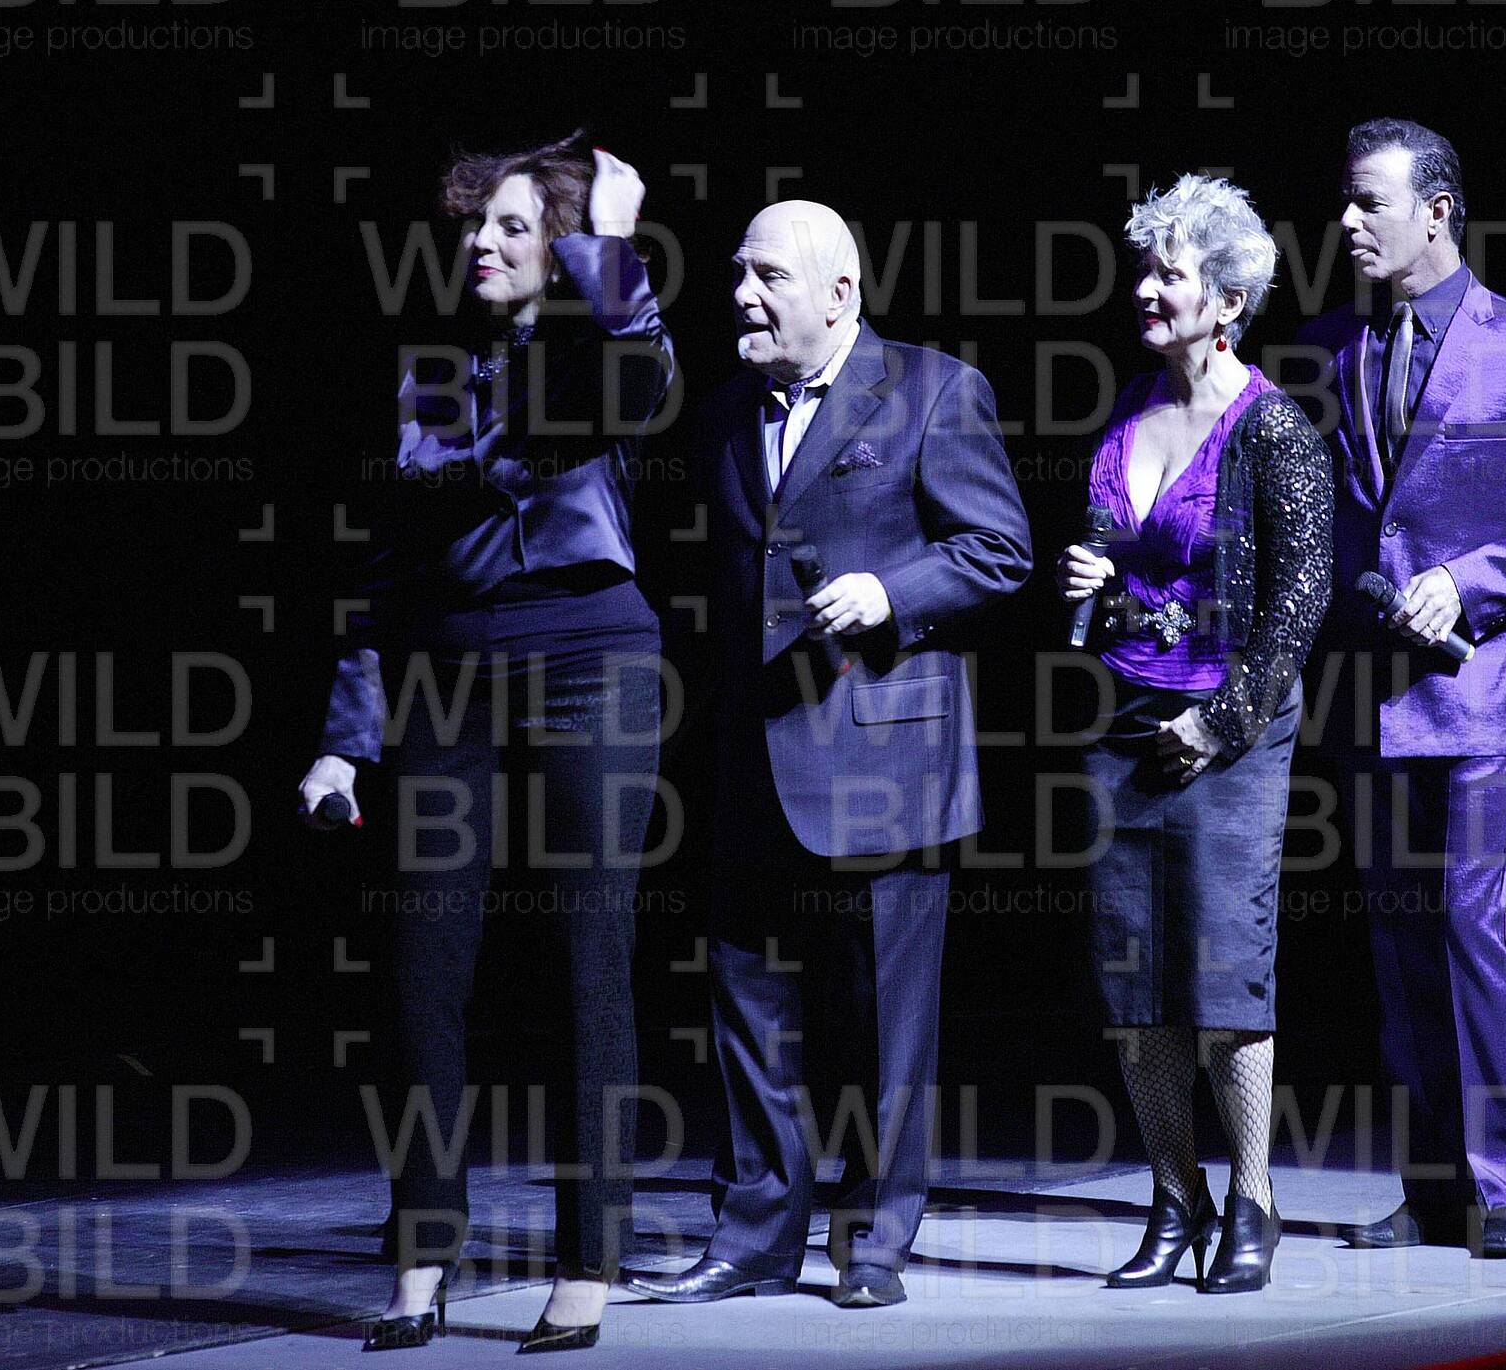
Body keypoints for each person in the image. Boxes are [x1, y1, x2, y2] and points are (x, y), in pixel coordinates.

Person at [298, 134, 675, 1352]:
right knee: (423, 970)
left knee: (586, 959)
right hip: (448, 674)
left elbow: (645, 386)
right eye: (475, 224)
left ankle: (588, 1254)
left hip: (588, 658)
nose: (482, 243)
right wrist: (345, 741)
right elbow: (388, 565)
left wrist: (610, 245)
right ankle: (423, 1250)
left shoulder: (597, 341)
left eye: (513, 225)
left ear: (559, 244)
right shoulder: (434, 371)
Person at [622, 200, 1031, 1310]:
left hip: (887, 759)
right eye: (737, 275)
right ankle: (753, 1235)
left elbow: (1000, 549)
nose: (742, 297)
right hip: (755, 756)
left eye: (768, 278)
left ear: (840, 293)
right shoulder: (721, 412)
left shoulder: (934, 389)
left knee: (886, 1023)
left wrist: (892, 592)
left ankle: (875, 1241)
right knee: (748, 1011)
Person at [1298, 118, 1506, 1260]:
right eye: (1345, 200)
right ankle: (1433, 1183)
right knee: (1396, 945)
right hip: (1362, 692)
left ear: (1437, 211)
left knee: (1470, 926)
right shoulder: (1325, 347)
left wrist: (1467, 579)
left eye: (1369, 202)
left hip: (1471, 688)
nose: (1346, 220)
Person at [1061, 174, 1333, 1294]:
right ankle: (1174, 1197)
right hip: (1125, 718)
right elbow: (1115, 567)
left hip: (1233, 726)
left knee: (1222, 974)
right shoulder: (1130, 406)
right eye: (1144, 269)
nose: (1145, 289)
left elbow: (1300, 600)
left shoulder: (1272, 427)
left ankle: (1252, 1198)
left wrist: (1220, 721)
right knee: (1134, 983)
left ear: (1225, 298)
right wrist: (1096, 584)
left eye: (1167, 273)